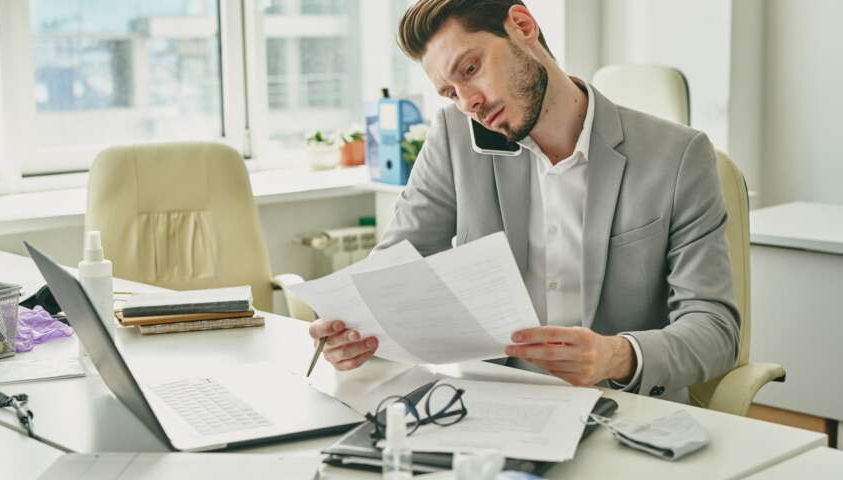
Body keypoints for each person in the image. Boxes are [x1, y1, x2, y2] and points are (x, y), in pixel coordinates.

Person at [308, 0, 739, 402]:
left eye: (471, 68)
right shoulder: (454, 138)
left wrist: (616, 355)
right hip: (493, 407)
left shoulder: (679, 155)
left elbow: (715, 329)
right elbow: (396, 271)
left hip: (626, 412)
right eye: (451, 93)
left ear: (522, 26)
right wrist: (354, 331)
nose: (469, 101)